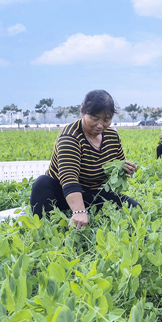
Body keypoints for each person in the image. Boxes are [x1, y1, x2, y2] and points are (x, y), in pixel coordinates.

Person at [30, 90, 139, 228]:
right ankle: (45, 227)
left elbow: (117, 164)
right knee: (42, 183)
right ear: (82, 112)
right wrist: (79, 211)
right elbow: (69, 177)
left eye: (106, 120)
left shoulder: (112, 136)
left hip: (93, 193)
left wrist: (125, 169)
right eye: (94, 118)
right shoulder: (70, 136)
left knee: (136, 210)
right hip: (61, 194)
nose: (100, 125)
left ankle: (88, 214)